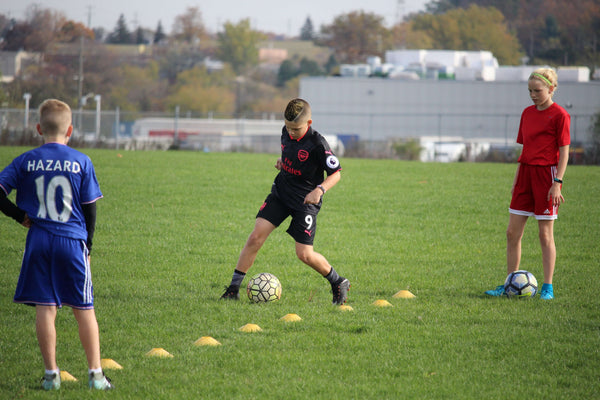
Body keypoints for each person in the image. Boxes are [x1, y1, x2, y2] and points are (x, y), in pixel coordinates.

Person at [0, 99, 113, 390]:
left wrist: (18, 215)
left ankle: (51, 376)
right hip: (72, 241)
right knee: (83, 308)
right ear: (70, 130)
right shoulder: (81, 161)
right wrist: (88, 245)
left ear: (38, 128)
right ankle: (96, 376)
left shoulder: (26, 160)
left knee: (45, 307)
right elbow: (90, 208)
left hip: (38, 240)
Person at [221, 98, 350, 305]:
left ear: (308, 124)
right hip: (281, 192)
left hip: (306, 202)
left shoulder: (318, 144)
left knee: (304, 254)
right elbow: (292, 153)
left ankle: (338, 281)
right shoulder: (286, 131)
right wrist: (284, 162)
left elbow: (336, 173)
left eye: (296, 129)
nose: (291, 132)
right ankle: (233, 289)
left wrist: (320, 190)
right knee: (255, 237)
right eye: (288, 127)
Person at [485, 68, 570, 300]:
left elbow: (564, 153)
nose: (533, 95)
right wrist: (516, 180)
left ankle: (547, 287)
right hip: (525, 176)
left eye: (538, 90)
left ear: (551, 89)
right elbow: (526, 150)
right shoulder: (527, 114)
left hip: (547, 177)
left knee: (545, 235)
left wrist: (557, 183)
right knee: (512, 233)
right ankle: (508, 284)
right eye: (530, 91)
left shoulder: (560, 115)